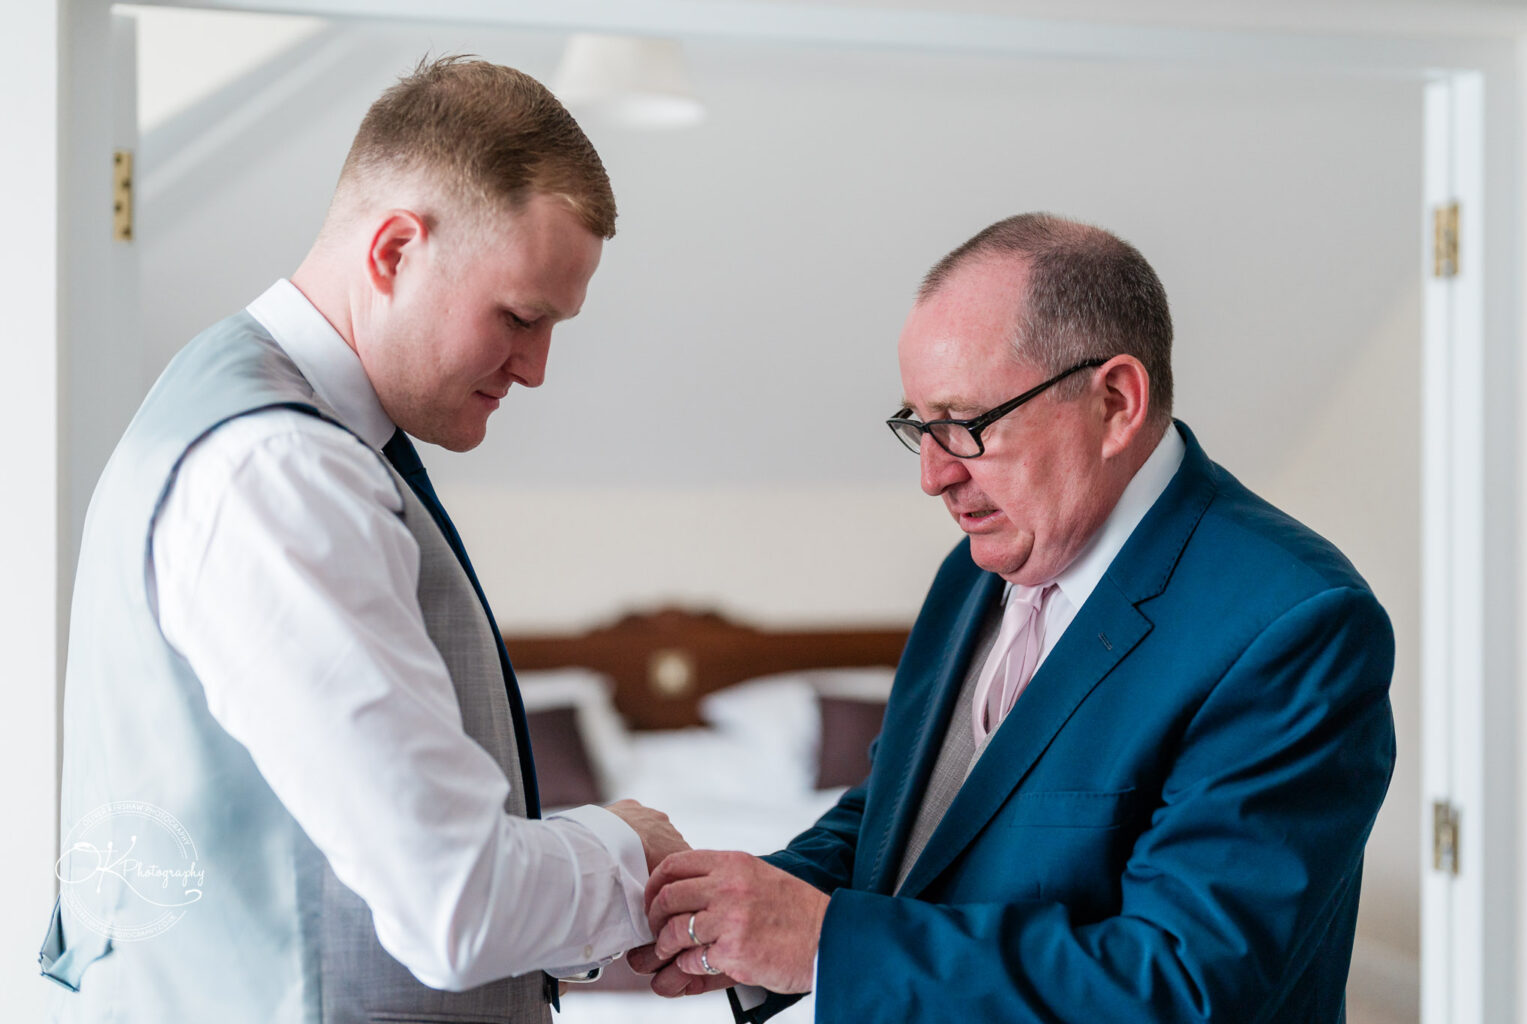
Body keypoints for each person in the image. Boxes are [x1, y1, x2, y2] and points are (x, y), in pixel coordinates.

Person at [40, 56, 685, 1024]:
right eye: (519, 316)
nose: (538, 367)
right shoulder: (281, 470)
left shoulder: (247, 415)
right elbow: (454, 904)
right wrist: (624, 846)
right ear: (393, 251)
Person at [632, 213, 1396, 1021]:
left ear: (1115, 402)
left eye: (963, 425)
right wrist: (728, 911)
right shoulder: (973, 570)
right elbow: (906, 818)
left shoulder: (1297, 624)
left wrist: (825, 942)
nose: (932, 476)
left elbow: (1181, 986)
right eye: (918, 426)